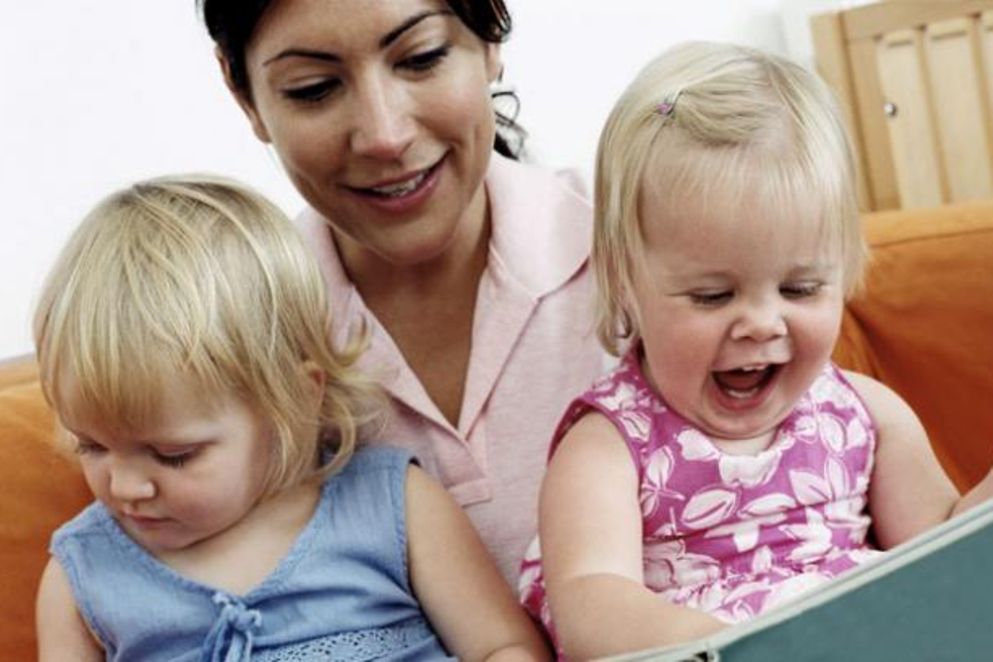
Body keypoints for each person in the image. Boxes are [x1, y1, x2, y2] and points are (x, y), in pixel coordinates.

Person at [517, 41, 993, 659]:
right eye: (713, 296)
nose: (762, 324)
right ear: (626, 285)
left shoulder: (865, 417)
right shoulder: (610, 448)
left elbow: (941, 553)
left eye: (800, 288)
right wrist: (759, 645)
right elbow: (592, 612)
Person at [33, 175, 550, 661]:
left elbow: (502, 648)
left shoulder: (391, 507)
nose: (125, 486)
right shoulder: (81, 576)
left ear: (296, 401)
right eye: (91, 445)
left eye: (173, 455)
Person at [197, 0, 605, 585]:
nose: (384, 135)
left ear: (490, 38)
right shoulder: (228, 346)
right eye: (314, 88)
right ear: (243, 95)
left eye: (422, 57)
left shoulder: (649, 251)